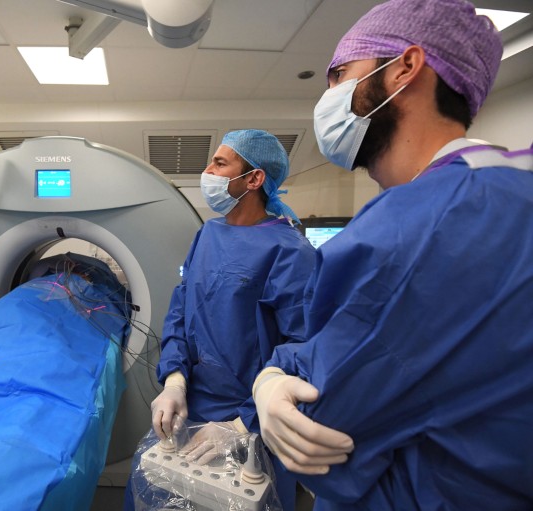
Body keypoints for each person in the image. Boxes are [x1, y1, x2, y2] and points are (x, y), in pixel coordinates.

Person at [252, 1, 533, 510]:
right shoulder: (513, 188)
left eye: (339, 75)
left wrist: (273, 376)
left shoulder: (418, 226)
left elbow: (320, 417)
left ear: (405, 68)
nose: (328, 95)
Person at [126, 129, 316, 511]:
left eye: (220, 162)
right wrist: (175, 381)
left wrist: (242, 425)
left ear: (254, 178)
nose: (207, 170)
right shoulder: (207, 234)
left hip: (254, 421)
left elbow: (304, 351)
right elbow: (181, 310)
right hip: (190, 408)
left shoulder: (290, 251)